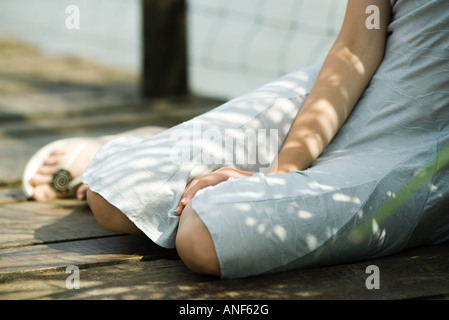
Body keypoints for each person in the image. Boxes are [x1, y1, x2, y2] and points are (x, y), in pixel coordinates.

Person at [24, 0, 449, 279]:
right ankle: (139, 146)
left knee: (205, 236)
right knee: (114, 197)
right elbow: (358, 46)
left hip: (422, 148)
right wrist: (282, 172)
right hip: (351, 88)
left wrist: (268, 185)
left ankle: (169, 146)